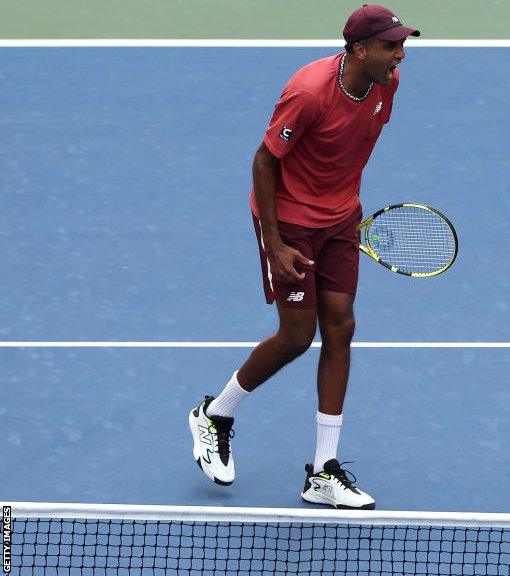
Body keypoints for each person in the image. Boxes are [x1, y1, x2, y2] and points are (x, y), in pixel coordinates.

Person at [187, 4, 420, 510]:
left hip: (340, 219)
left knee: (341, 327)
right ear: (359, 49)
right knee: (296, 335)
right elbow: (265, 160)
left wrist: (340, 215)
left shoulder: (387, 84)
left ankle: (324, 471)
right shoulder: (310, 92)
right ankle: (216, 414)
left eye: (402, 44)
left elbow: (350, 149)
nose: (400, 54)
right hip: (289, 221)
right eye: (390, 45)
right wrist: (274, 240)